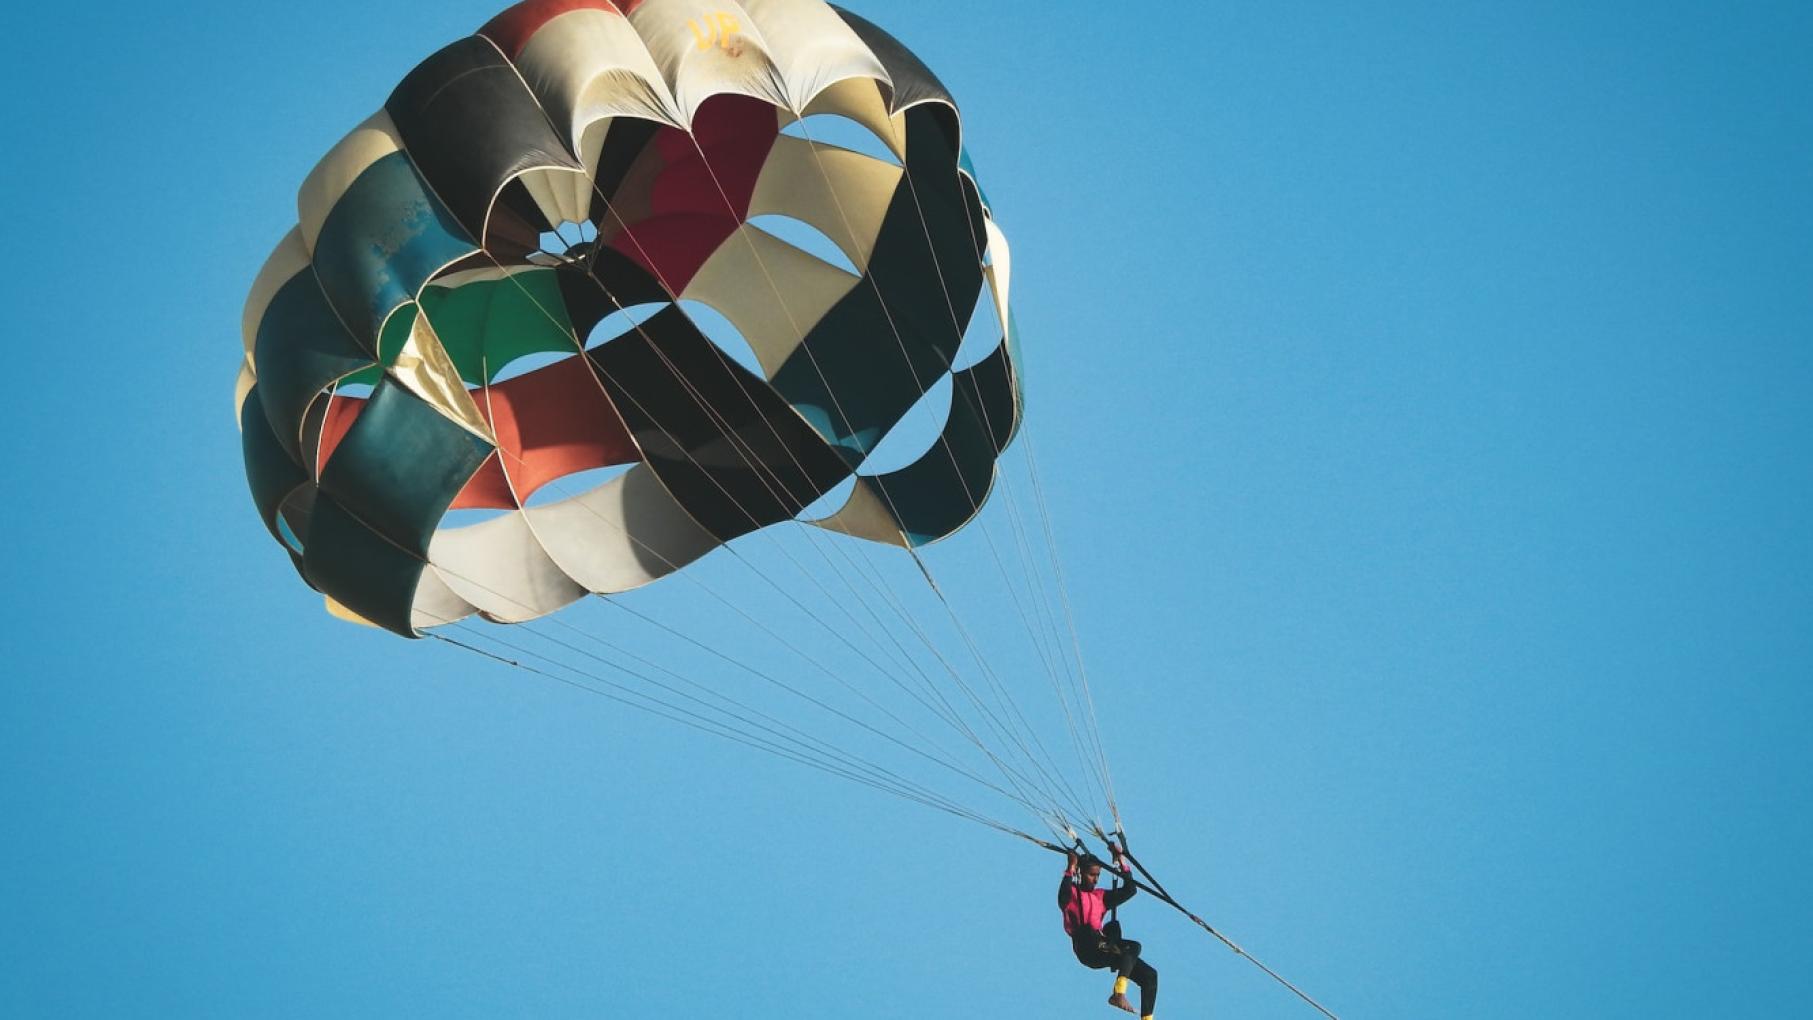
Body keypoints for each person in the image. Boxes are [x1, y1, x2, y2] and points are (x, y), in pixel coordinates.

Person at [1060, 845, 1158, 1018]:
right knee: (1126, 945)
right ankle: (1119, 993)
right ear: (1080, 873)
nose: (1096, 880)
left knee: (1149, 975)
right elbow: (1062, 895)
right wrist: (1071, 867)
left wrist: (1121, 859)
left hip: (1102, 948)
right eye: (1092, 875)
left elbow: (1130, 890)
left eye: (1098, 875)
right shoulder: (1072, 895)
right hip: (1087, 947)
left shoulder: (1100, 897)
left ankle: (1145, 1017)